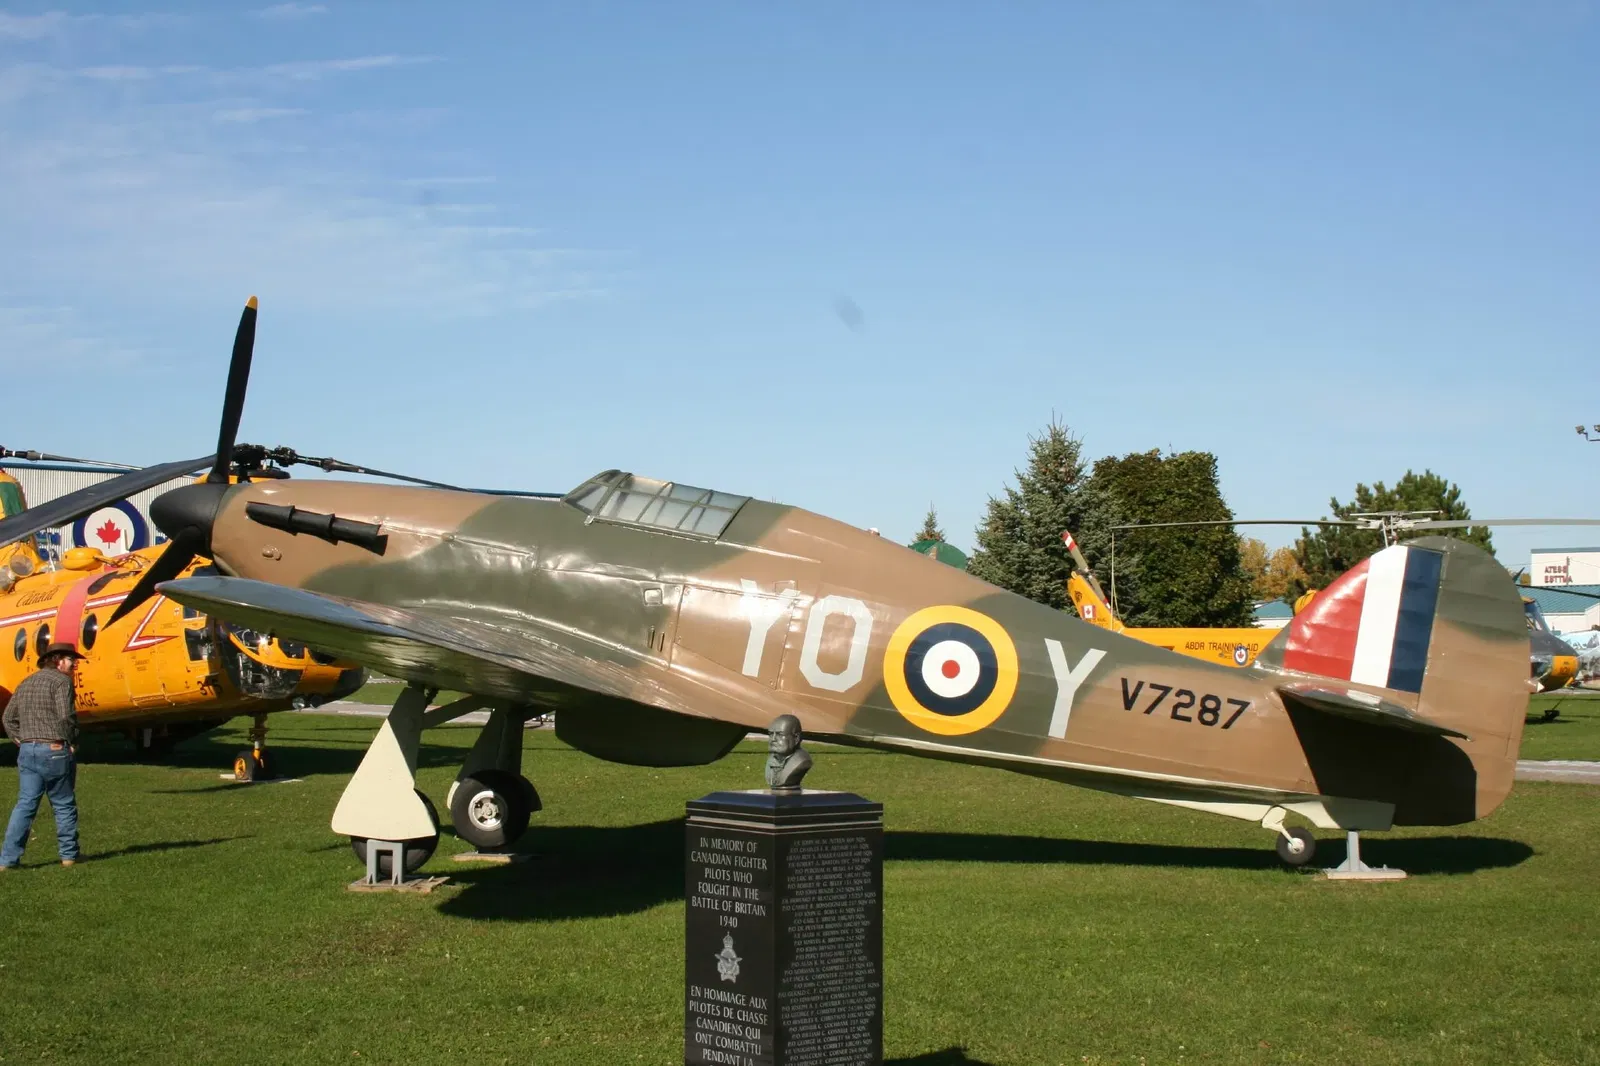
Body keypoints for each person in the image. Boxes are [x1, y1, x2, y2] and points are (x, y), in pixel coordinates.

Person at [1, 643, 85, 868]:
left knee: (25, 805)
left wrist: (19, 740)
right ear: (58, 660)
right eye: (70, 659)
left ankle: (7, 860)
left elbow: (8, 718)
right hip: (55, 750)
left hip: (28, 751)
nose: (74, 664)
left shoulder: (25, 683)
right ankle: (69, 856)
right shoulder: (61, 682)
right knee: (64, 804)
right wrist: (73, 739)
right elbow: (65, 716)